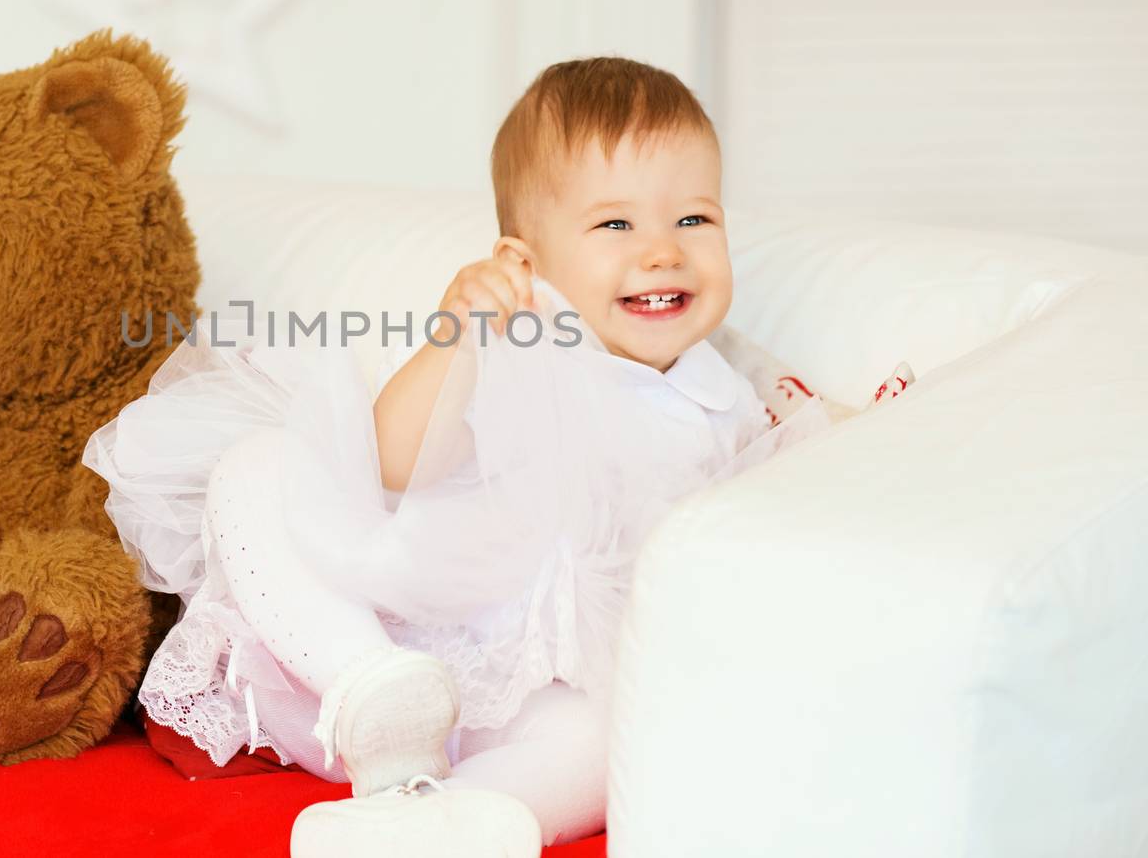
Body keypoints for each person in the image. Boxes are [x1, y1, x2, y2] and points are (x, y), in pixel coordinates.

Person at [82, 57, 903, 857]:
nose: (662, 250)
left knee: (608, 742)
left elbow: (802, 477)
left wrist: (882, 425)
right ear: (523, 260)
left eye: (695, 218)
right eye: (616, 223)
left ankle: (447, 819)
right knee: (258, 466)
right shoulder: (520, 342)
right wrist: (458, 339)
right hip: (393, 643)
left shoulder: (729, 393)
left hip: (537, 699)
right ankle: (376, 694)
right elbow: (394, 465)